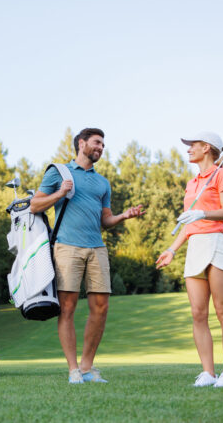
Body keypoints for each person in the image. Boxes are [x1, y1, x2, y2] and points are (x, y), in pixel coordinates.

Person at [30, 127, 144, 384]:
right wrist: (60, 192)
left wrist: (124, 216)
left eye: (103, 145)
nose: (101, 148)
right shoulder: (58, 172)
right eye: (96, 143)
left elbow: (106, 219)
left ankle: (87, 368)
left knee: (101, 307)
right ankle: (72, 371)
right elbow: (35, 205)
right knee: (68, 308)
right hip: (67, 247)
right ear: (81, 143)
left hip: (97, 248)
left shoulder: (102, 182)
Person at [155, 132, 223, 388]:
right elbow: (188, 224)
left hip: (216, 242)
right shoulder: (192, 184)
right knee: (198, 313)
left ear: (207, 148)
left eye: (193, 145)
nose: (188, 149)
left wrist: (203, 212)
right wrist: (172, 249)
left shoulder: (222, 174)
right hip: (195, 247)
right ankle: (208, 372)